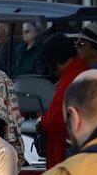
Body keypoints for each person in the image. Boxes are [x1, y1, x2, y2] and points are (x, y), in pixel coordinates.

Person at [38, 33, 89, 168]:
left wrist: (43, 121)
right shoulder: (84, 72)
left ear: (56, 63)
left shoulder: (72, 78)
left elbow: (58, 120)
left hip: (71, 147)